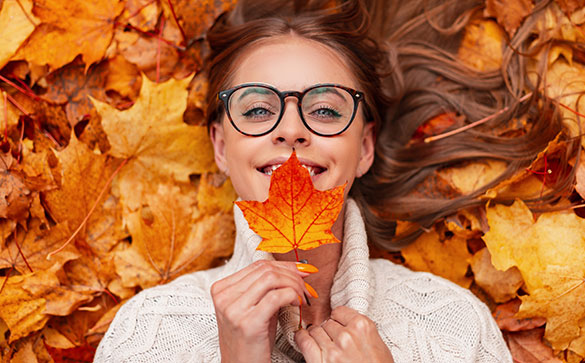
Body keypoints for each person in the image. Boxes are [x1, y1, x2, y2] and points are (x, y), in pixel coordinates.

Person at [93, 0, 545, 361]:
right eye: (257, 110)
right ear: (221, 147)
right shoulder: (151, 335)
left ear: (364, 148)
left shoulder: (453, 326)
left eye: (325, 109)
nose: (290, 129)